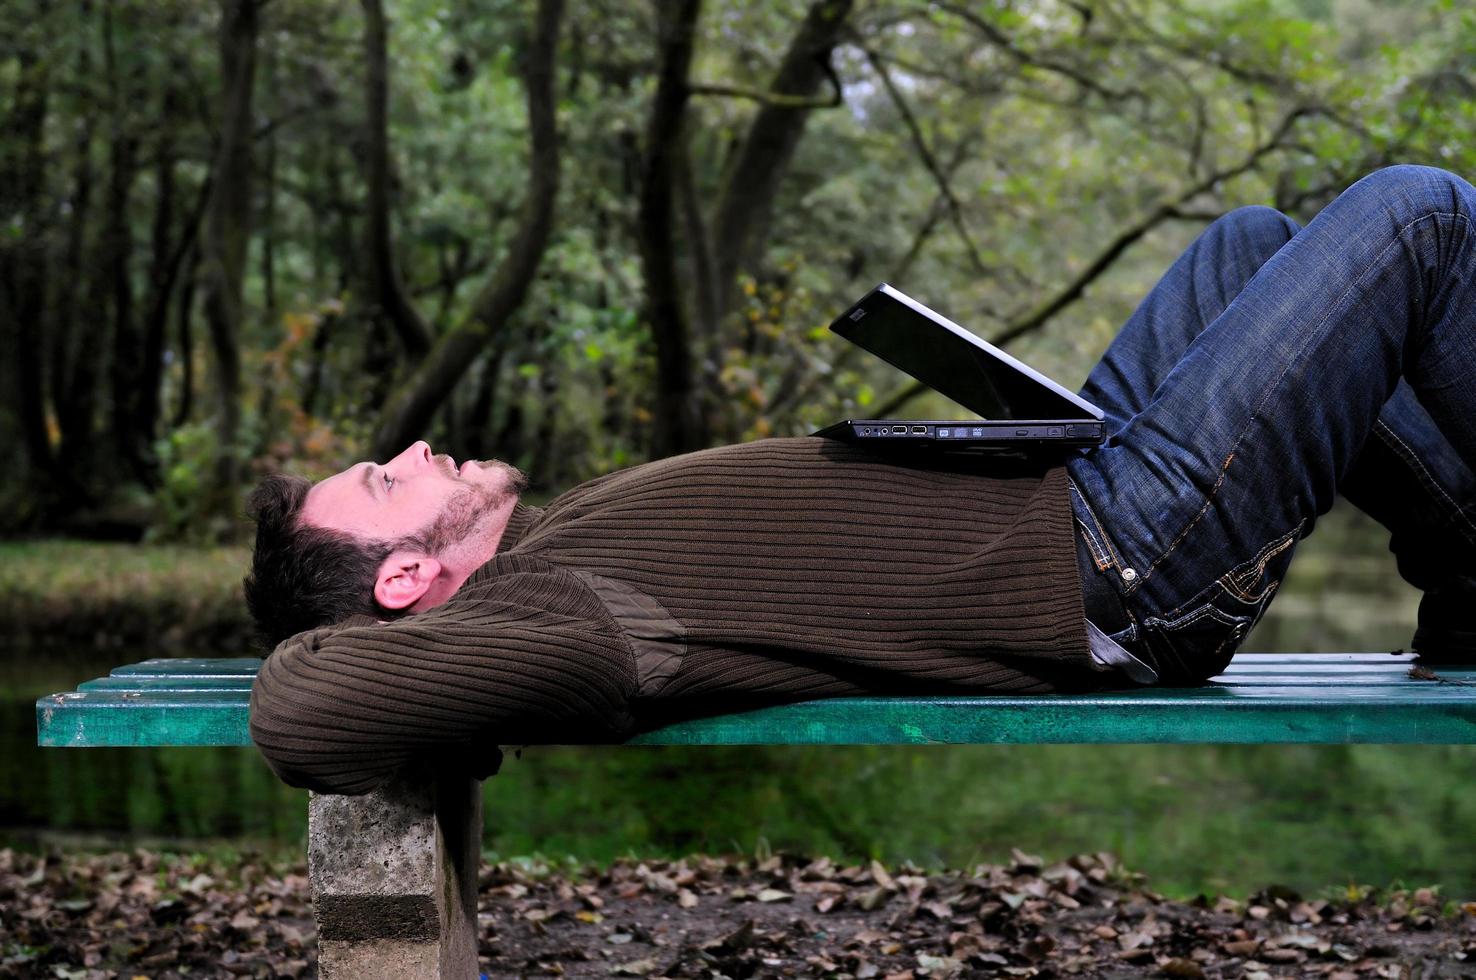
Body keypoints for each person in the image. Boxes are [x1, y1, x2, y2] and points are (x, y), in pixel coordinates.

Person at [245, 164, 1476, 796]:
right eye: (381, 478)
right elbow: (301, 707)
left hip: (1076, 487)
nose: (411, 449)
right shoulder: (554, 621)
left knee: (1253, 245)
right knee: (1416, 215)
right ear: (407, 576)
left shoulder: (547, 562)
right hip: (1117, 560)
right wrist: (373, 651)